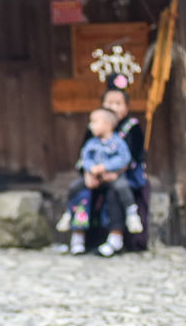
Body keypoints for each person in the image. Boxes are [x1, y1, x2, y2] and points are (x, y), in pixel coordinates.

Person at [57, 107, 142, 256]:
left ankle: (131, 214)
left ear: (108, 125)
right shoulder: (91, 143)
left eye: (95, 122)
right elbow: (85, 158)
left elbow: (124, 158)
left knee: (122, 187)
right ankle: (70, 215)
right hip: (94, 178)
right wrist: (91, 170)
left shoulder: (118, 143)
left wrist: (106, 167)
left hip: (112, 178)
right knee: (75, 187)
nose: (91, 125)